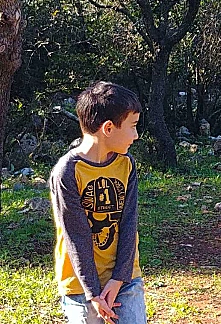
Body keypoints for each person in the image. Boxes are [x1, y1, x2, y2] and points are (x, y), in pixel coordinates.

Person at [49, 81, 146, 324]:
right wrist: (93, 293)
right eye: (133, 126)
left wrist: (119, 278)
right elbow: (76, 237)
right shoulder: (67, 172)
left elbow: (128, 224)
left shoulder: (126, 165)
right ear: (108, 128)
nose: (136, 135)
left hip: (125, 279)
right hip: (81, 286)